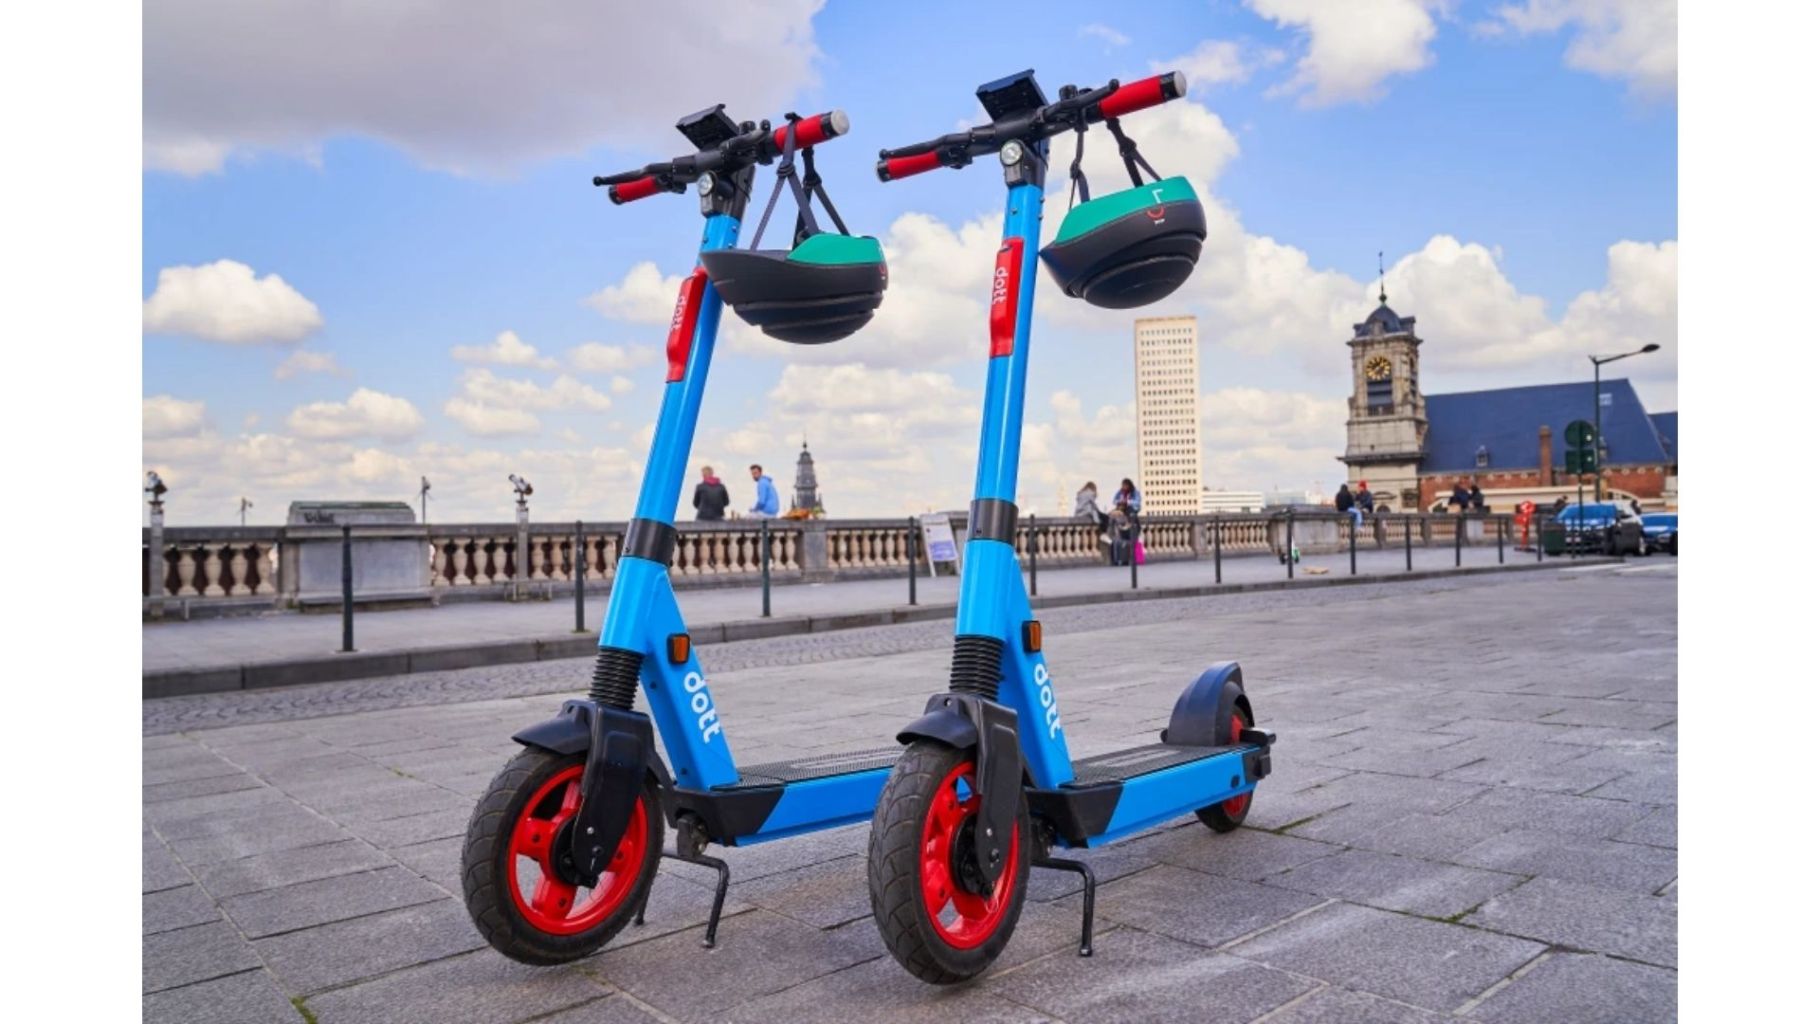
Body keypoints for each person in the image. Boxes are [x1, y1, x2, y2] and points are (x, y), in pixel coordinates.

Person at [1109, 479, 1142, 566]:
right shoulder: (1120, 492)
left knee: (1134, 540)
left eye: (1125, 485)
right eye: (1123, 485)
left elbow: (1137, 502)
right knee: (1122, 541)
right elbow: (1114, 500)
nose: (1123, 487)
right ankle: (1123, 559)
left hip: (1131, 517)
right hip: (1123, 521)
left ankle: (1137, 559)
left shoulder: (1134, 493)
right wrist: (1120, 502)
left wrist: (1128, 502)